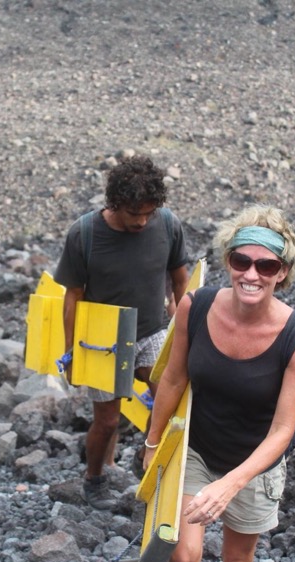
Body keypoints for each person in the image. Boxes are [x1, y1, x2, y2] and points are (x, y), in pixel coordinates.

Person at [141, 205, 295, 562]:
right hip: (197, 448)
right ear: (228, 260)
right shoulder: (196, 306)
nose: (251, 274)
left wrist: (231, 485)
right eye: (242, 260)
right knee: (181, 555)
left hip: (255, 463)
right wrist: (152, 444)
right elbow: (172, 379)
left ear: (282, 273)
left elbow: (283, 430)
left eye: (266, 265)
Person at [54, 153, 190, 509]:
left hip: (152, 330)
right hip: (103, 340)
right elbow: (73, 297)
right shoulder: (84, 234)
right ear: (115, 204)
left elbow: (180, 278)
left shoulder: (168, 225)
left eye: (149, 212)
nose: (143, 221)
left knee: (170, 400)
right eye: (134, 214)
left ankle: (145, 460)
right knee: (109, 420)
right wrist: (71, 356)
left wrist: (184, 326)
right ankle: (94, 479)